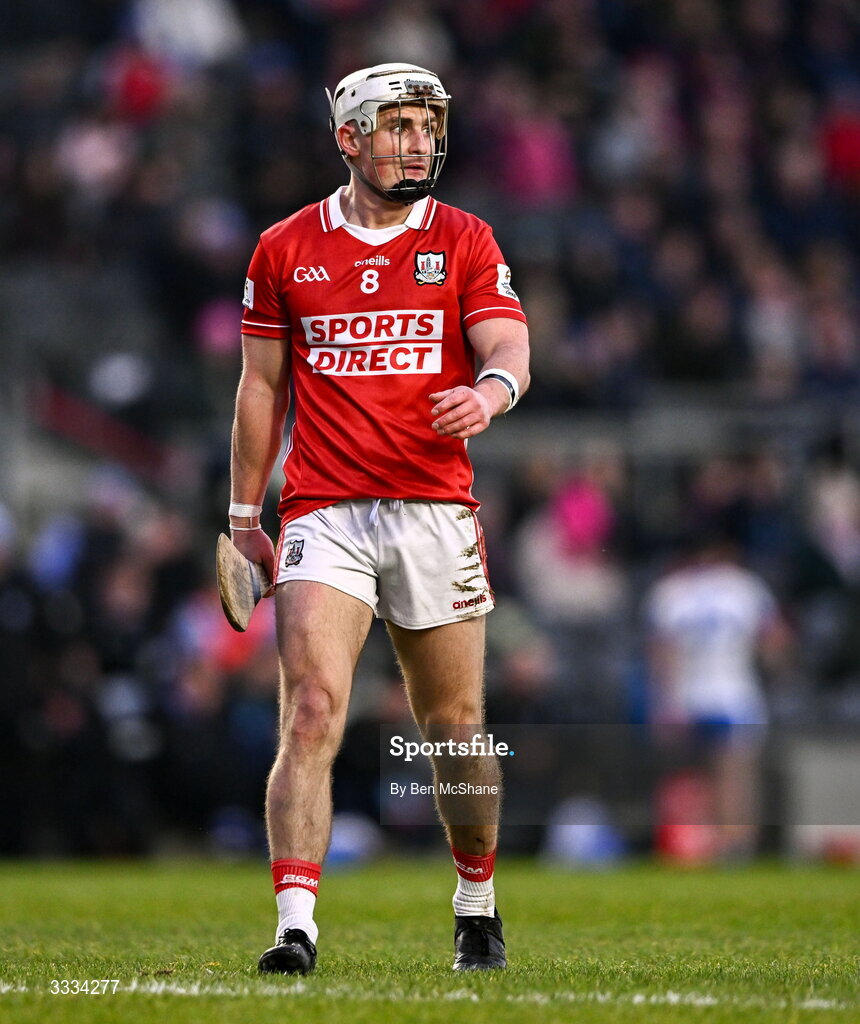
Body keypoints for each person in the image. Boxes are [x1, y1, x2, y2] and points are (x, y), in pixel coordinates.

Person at [227, 63, 530, 974]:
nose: (418, 142)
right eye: (398, 126)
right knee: (311, 711)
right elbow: (260, 387)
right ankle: (295, 928)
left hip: (435, 509)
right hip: (324, 511)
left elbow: (508, 341)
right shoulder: (284, 249)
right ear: (349, 138)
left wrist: (491, 391)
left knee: (454, 728)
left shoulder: (465, 237)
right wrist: (243, 516)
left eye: (427, 126)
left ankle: (476, 903)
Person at [644, 531, 792, 861]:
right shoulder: (745, 586)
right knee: (736, 775)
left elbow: (661, 653)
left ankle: (691, 844)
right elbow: (775, 642)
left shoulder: (670, 591)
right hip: (733, 692)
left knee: (691, 775)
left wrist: (664, 701)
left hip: (687, 694)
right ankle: (735, 847)